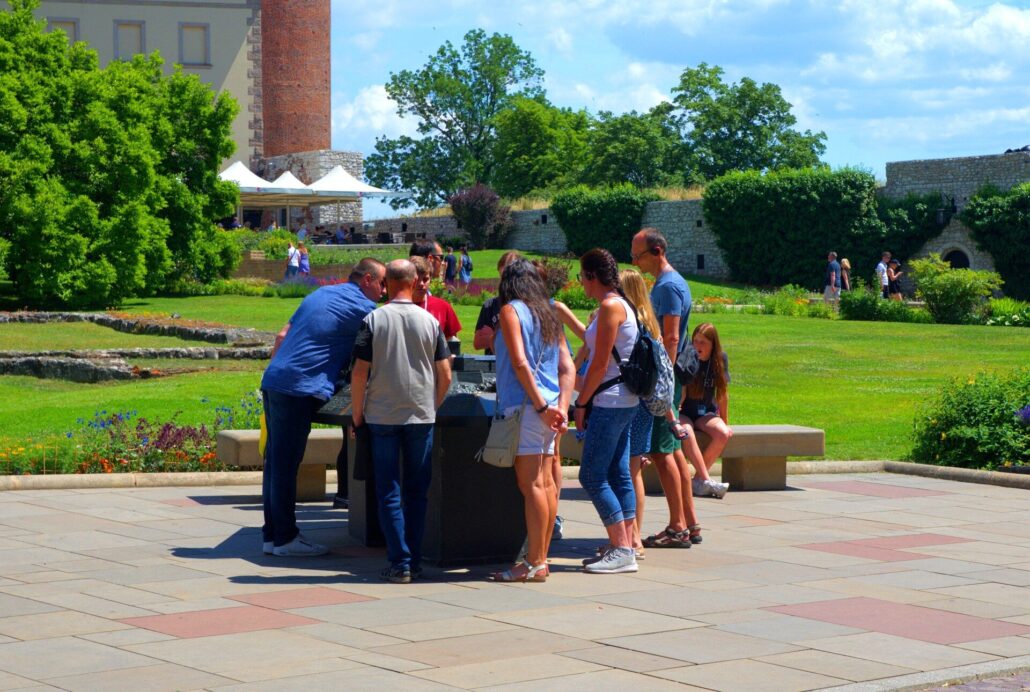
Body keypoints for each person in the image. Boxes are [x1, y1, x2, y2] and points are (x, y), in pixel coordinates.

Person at [260, 258, 386, 556]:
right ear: (367, 279)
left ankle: (272, 536)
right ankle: (287, 540)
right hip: (299, 387)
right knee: (286, 465)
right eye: (382, 284)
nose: (383, 292)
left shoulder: (320, 293)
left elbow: (282, 335)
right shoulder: (364, 309)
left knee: (275, 464)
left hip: (275, 379)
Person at [350, 259, 453, 583]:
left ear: (389, 284)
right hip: (420, 416)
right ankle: (414, 559)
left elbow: (359, 372)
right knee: (417, 492)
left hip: (381, 415)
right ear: (412, 282)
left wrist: (357, 415)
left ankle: (400, 563)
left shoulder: (373, 319)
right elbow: (446, 373)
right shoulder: (429, 321)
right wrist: (432, 405)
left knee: (388, 491)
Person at [489, 259, 574, 582]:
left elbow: (520, 363)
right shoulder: (548, 313)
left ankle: (534, 561)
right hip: (549, 408)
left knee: (532, 484)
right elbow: (567, 367)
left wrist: (540, 406)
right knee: (547, 482)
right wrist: (560, 408)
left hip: (527, 408)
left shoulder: (512, 311)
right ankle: (540, 557)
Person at [631, 228, 724, 501]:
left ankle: (679, 525)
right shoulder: (669, 283)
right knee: (670, 451)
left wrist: (663, 379)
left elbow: (671, 337)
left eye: (638, 256)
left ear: (657, 252)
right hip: (666, 380)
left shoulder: (669, 286)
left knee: (663, 453)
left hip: (662, 381)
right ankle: (687, 524)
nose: (635, 262)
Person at [573, 249, 641, 574]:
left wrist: (581, 402)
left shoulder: (610, 306)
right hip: (625, 400)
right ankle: (625, 543)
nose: (581, 283)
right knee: (618, 472)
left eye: (581, 277)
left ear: (591, 276)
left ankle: (622, 548)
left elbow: (599, 364)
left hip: (610, 401)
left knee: (591, 475)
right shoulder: (622, 303)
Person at [617, 269, 674, 554]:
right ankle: (634, 534)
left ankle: (633, 537)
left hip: (632, 400)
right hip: (648, 403)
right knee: (634, 469)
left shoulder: (629, 321)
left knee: (628, 470)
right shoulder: (650, 322)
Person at [670, 322, 733, 546]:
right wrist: (677, 409)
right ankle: (705, 480)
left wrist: (724, 420)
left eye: (702, 343)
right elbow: (682, 388)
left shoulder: (720, 360)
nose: (697, 346)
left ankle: (698, 479)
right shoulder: (688, 357)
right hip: (685, 412)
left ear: (712, 345)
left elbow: (723, 392)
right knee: (686, 431)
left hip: (705, 411)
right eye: (695, 341)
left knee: (723, 434)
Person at [474, 251, 521, 355]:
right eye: (502, 276)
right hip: (493, 365)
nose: (505, 282)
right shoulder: (489, 306)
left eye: (509, 277)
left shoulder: (527, 306)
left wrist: (493, 336)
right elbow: (477, 343)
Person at [410, 256, 461, 339]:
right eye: (416, 279)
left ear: (431, 279)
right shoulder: (393, 308)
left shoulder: (444, 307)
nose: (421, 283)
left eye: (425, 279)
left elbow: (451, 342)